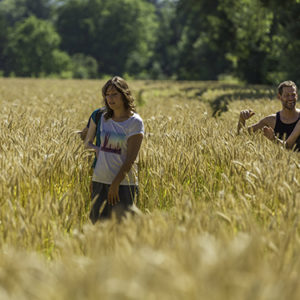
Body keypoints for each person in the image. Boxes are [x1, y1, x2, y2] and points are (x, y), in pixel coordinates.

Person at [85, 76, 144, 223]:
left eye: (114, 94)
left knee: (121, 231)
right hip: (100, 181)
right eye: (107, 95)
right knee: (98, 229)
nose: (110, 98)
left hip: (123, 185)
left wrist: (115, 184)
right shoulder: (104, 118)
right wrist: (95, 178)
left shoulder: (134, 122)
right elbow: (103, 152)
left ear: (124, 95)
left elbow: (130, 158)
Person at [237, 80, 300, 151]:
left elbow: (288, 146)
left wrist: (273, 139)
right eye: (287, 95)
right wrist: (242, 119)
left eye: (293, 95)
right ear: (279, 97)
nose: (291, 98)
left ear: (297, 96)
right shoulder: (271, 121)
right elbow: (241, 134)